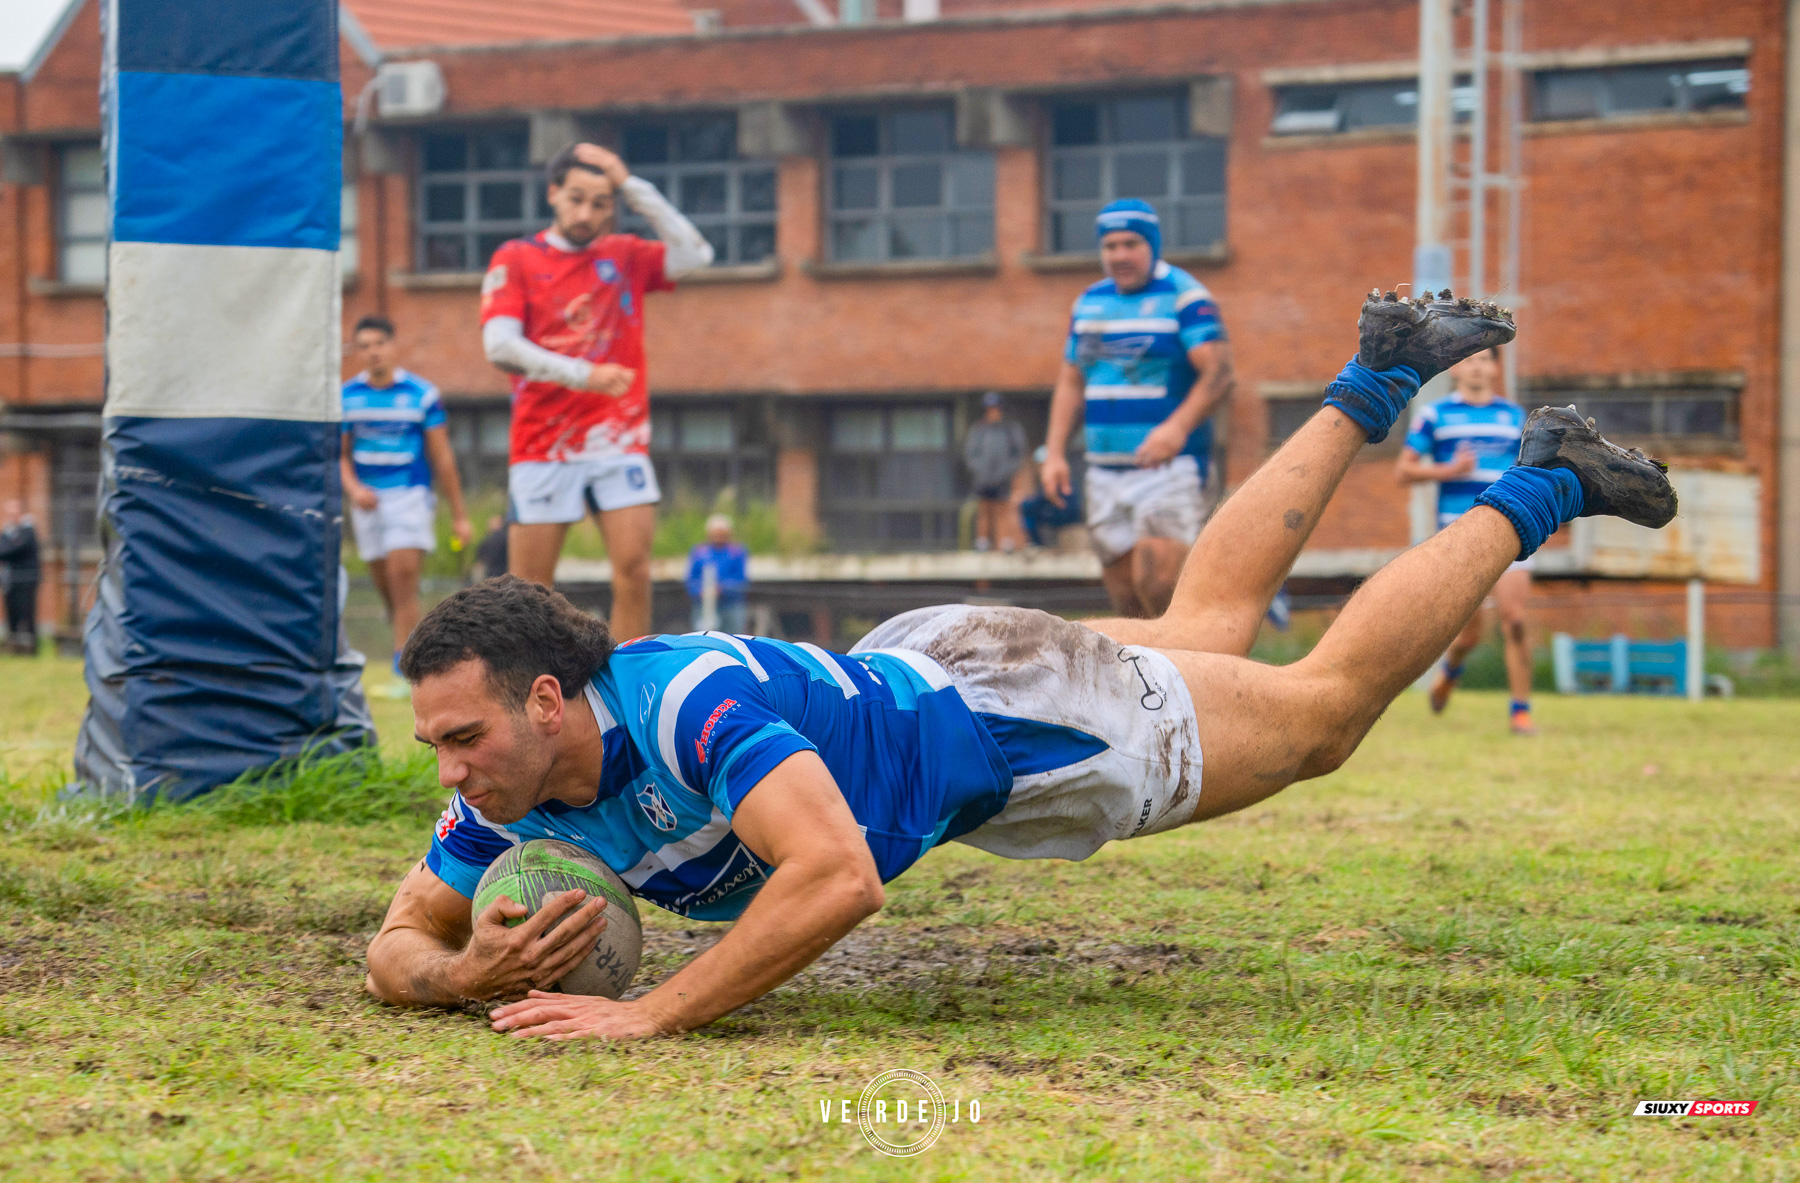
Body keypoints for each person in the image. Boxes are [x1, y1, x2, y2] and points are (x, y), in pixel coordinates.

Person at [363, 290, 1676, 1042]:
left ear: (548, 698)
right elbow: (393, 947)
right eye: (438, 741)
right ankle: (1376, 375)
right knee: (1211, 628)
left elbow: (835, 879)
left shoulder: (687, 705)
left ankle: (1546, 476)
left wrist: (651, 1016)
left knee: (1321, 712)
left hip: (1008, 720)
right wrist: (466, 972)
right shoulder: (511, 786)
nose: (450, 764)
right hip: (927, 665)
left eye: (462, 734)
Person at [480, 142, 714, 640]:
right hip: (543, 443)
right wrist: (584, 374)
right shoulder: (517, 257)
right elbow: (499, 345)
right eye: (576, 199)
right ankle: (531, 690)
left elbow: (697, 253)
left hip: (617, 440)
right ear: (553, 195)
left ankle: (627, 686)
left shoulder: (624, 255)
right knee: (528, 589)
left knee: (633, 570)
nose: (586, 213)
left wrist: (630, 182)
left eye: (601, 203)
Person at [1041, 199, 1235, 618]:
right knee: (1126, 598)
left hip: (1169, 469)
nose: (1120, 255)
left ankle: (1193, 672)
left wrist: (1176, 428)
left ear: (1152, 245)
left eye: (1131, 243)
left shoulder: (1186, 297)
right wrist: (1054, 452)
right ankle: (1145, 682)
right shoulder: (1088, 303)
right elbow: (1072, 380)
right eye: (1110, 246)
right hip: (1104, 469)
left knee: (1159, 582)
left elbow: (1219, 375)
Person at [1396, 346, 1536, 734]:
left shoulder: (1514, 417)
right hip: (1460, 535)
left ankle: (1520, 712)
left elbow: (1529, 470)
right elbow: (1403, 470)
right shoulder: (1435, 415)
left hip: (1513, 528)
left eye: (1484, 360)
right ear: (1456, 367)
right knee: (1468, 633)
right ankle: (1451, 671)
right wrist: (1450, 470)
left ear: (1494, 367)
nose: (1476, 367)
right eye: (1469, 360)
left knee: (1516, 619)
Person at [341, 315, 473, 675]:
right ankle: (398, 621)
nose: (373, 353)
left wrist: (460, 516)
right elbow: (338, 456)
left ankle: (404, 667)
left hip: (410, 497)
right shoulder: (346, 397)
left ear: (392, 346)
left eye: (379, 344)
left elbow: (443, 457)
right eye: (364, 346)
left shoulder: (422, 394)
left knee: (403, 579)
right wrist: (353, 489)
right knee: (387, 585)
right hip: (367, 501)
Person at [964, 392, 1027, 552]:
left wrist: (1007, 471)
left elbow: (1018, 454)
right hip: (983, 479)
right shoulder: (978, 429)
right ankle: (982, 542)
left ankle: (1005, 542)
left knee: (1003, 510)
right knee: (984, 509)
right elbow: (971, 453)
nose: (993, 412)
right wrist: (980, 471)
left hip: (1002, 478)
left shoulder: (1010, 429)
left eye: (996, 408)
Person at [684, 513, 749, 634]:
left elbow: (741, 580)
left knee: (734, 638)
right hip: (703, 605)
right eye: (715, 534)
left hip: (730, 606)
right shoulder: (699, 552)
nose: (718, 537)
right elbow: (691, 579)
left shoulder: (736, 552)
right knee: (704, 638)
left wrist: (722, 589)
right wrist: (701, 591)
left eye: (722, 534)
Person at [0, 499, 40, 655]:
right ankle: (14, 648)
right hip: (10, 580)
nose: (11, 515)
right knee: (12, 615)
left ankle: (30, 650)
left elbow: (14, 549)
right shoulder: (8, 531)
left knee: (27, 614)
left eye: (14, 512)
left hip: (27, 579)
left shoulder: (28, 530)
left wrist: (8, 547)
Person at [473, 514, 510, 583]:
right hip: (506, 572)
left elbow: (481, 554)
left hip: (492, 573)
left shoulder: (491, 538)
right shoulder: (508, 536)